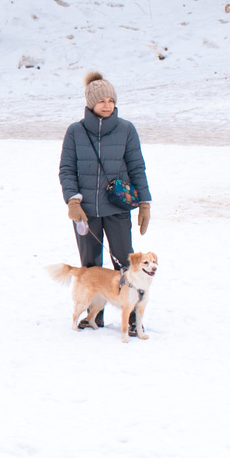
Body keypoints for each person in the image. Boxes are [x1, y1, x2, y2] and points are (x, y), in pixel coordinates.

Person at [59, 70, 152, 333]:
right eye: (102, 101)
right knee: (90, 265)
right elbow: (67, 169)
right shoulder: (75, 132)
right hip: (86, 212)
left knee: (127, 263)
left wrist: (144, 202)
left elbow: (137, 167)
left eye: (111, 100)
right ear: (91, 103)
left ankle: (132, 317)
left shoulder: (126, 129)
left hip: (117, 208)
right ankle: (93, 315)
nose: (107, 105)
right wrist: (73, 201)